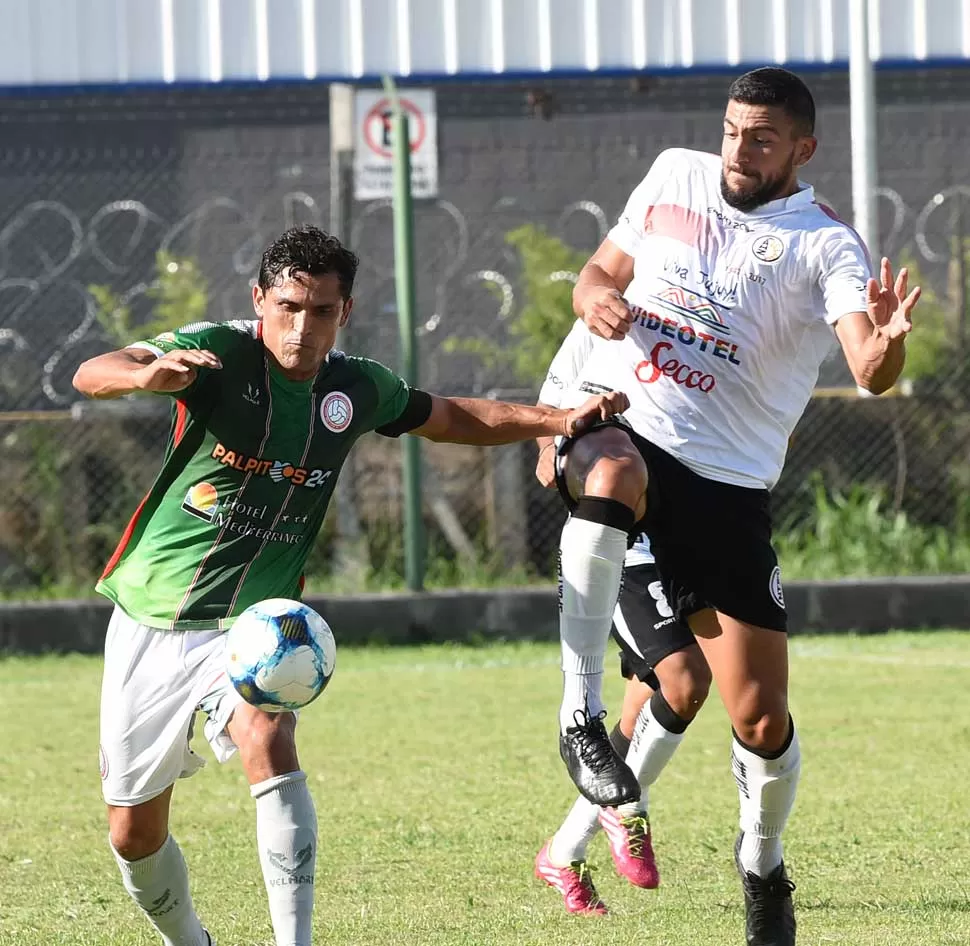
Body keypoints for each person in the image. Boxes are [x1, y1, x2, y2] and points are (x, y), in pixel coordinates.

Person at [72, 225, 628, 946]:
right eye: (288, 307)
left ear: (346, 313)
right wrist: (142, 375)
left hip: (255, 623)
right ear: (259, 300)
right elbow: (97, 369)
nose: (302, 329)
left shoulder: (355, 387)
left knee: (269, 732)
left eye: (321, 312)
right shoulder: (220, 351)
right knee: (132, 836)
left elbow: (449, 415)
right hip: (154, 617)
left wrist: (553, 421)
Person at [551, 67, 920, 945]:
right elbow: (600, 268)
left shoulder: (826, 244)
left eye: (760, 138)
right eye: (730, 130)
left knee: (758, 714)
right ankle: (581, 715)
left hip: (726, 486)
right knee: (611, 475)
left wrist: (888, 346)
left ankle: (762, 867)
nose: (737, 149)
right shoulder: (674, 173)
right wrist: (596, 293)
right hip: (627, 429)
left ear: (802, 149)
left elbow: (869, 371)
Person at [532, 322, 712, 914]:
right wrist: (562, 447)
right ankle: (625, 809)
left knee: (640, 715)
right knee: (685, 682)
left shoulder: (734, 314)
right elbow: (549, 424)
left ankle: (563, 852)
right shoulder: (609, 315)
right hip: (629, 549)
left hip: (698, 534)